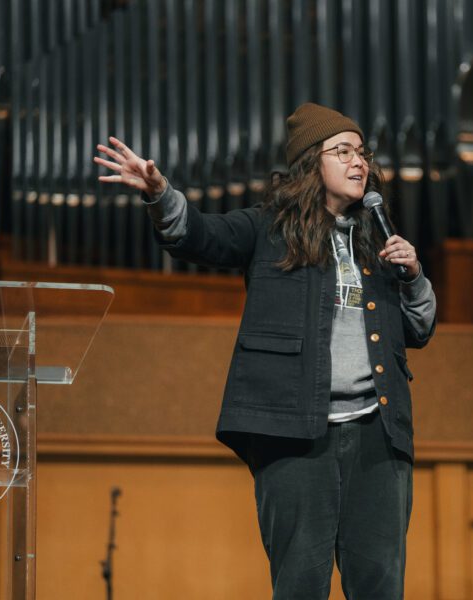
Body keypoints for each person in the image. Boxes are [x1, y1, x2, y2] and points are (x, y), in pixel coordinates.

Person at [95, 102, 436, 600]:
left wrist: (413, 275)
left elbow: (420, 330)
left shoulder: (377, 244)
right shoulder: (268, 230)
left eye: (362, 152)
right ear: (309, 166)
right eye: (342, 151)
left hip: (377, 434)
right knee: (299, 583)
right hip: (294, 431)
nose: (358, 162)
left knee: (382, 585)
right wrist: (160, 194)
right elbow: (198, 236)